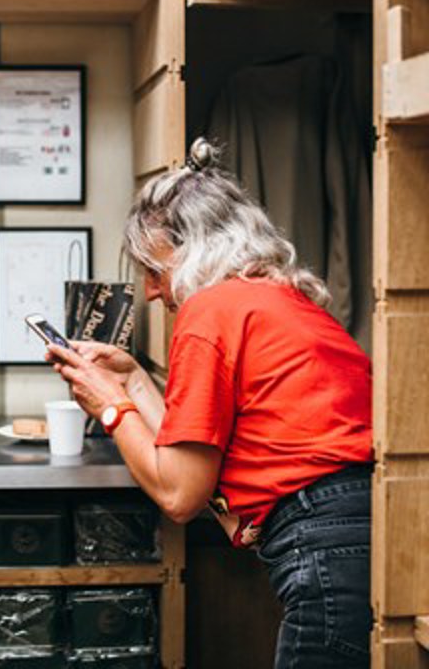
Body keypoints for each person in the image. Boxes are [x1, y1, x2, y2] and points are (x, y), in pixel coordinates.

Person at [47, 138, 373, 669]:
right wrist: (129, 382)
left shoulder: (210, 311)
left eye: (154, 271)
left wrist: (107, 405)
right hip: (360, 532)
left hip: (322, 545)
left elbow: (179, 494)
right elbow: (187, 461)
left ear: (193, 250)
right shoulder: (275, 299)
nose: (152, 292)